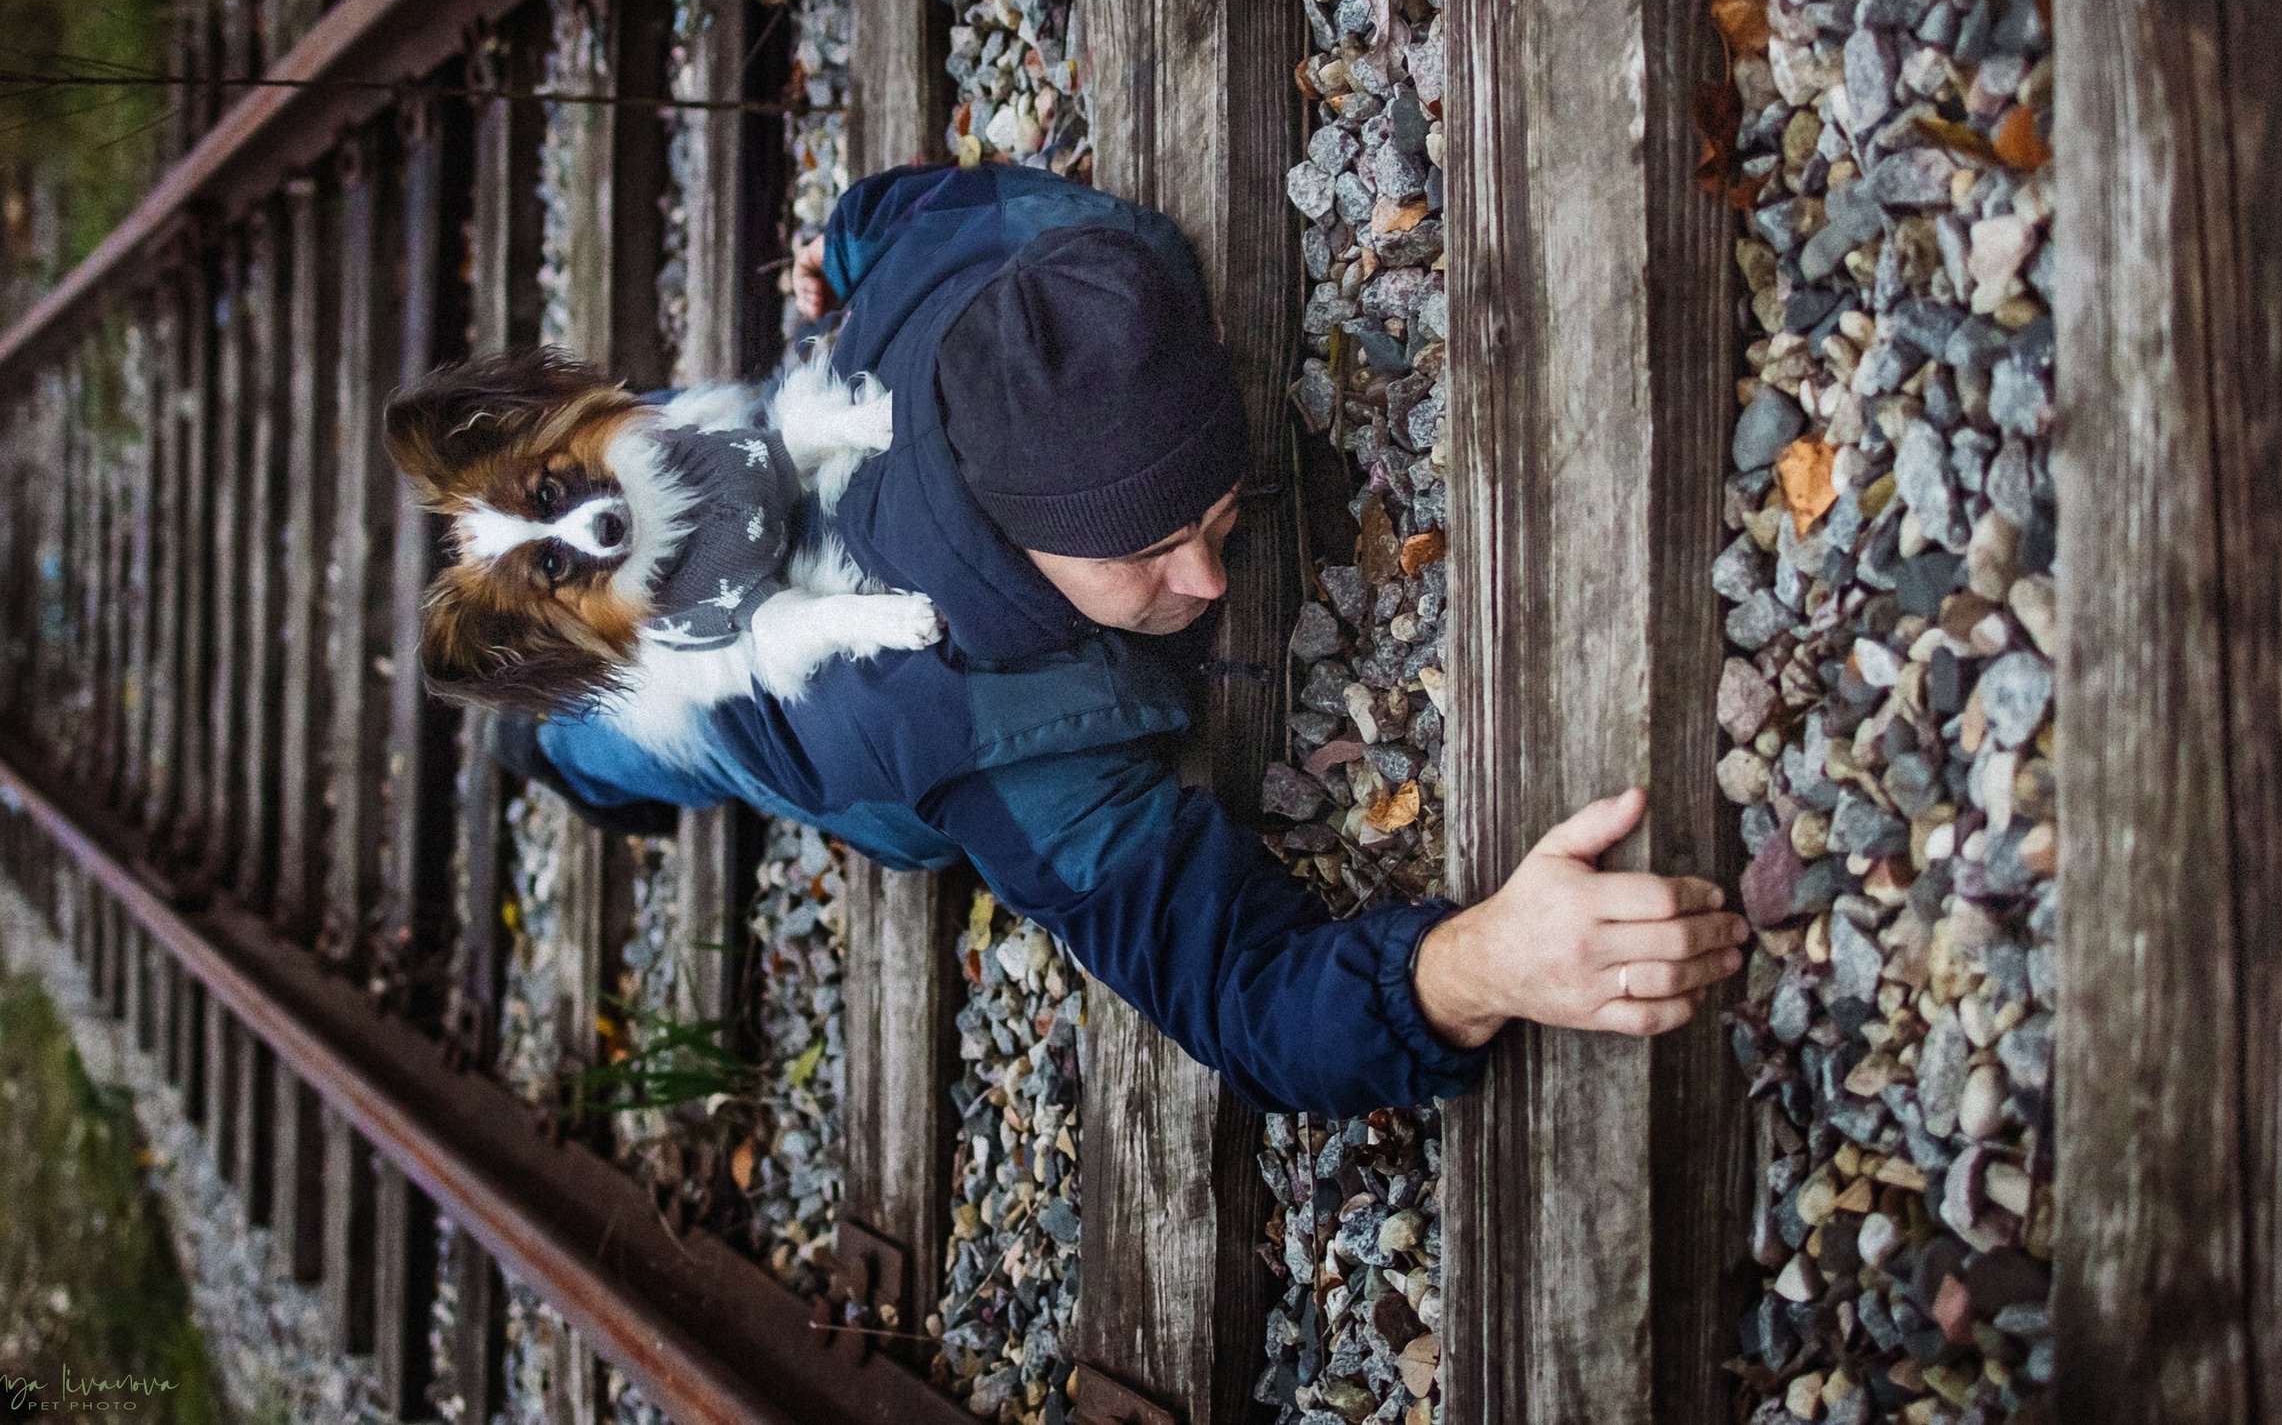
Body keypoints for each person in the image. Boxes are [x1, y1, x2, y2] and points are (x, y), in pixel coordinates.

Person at [516, 162, 1746, 1116]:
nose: (1204, 579)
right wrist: (1482, 967)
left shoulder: (1074, 259)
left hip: (748, 475)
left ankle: (541, 565)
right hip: (771, 716)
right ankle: (544, 751)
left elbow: (894, 211)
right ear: (1016, 536)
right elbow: (1236, 994)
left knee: (649, 470)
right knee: (610, 720)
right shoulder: (1001, 754)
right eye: (1146, 553)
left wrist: (837, 256)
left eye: (1213, 516)